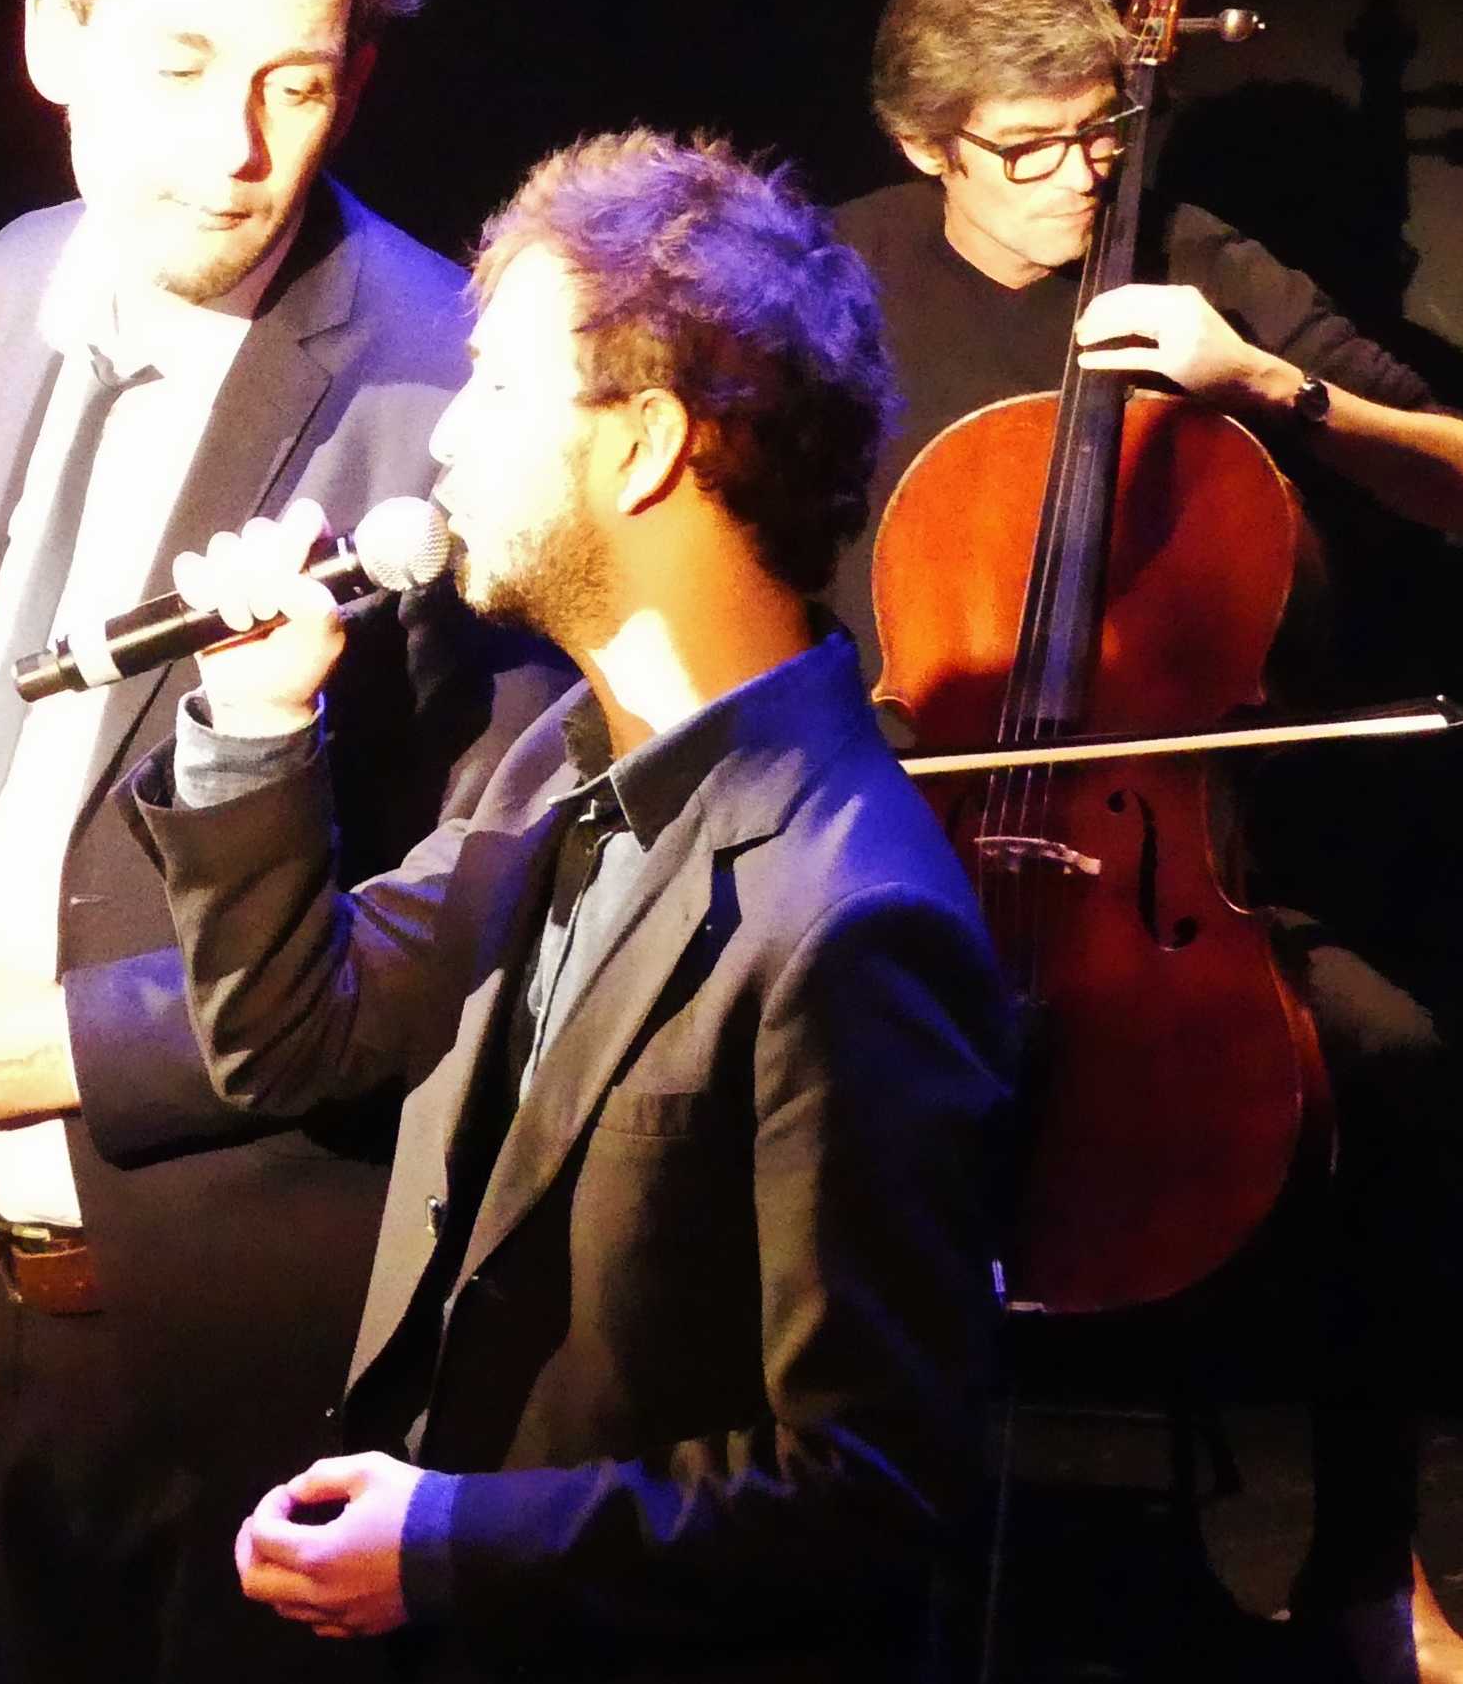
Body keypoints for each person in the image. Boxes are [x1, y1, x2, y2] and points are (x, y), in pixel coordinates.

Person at [0, 0, 551, 1682]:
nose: (236, 151)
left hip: (263, 1325)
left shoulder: (458, 381)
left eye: (295, 82)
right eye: (177, 66)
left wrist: (45, 1051)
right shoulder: (12, 276)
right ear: (53, 40)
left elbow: (479, 922)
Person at [133, 131, 1013, 1681]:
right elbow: (285, 1035)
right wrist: (260, 722)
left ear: (644, 443)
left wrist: (451, 1541)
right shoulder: (557, 755)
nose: (446, 433)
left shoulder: (850, 918)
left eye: (496, 384)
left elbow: (872, 1484)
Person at [832, 0, 1463, 1684]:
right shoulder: (829, 276)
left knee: (1390, 1064)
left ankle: (1369, 1570)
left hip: (1157, 874)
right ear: (924, 141)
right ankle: (779, 1534)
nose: (1081, 176)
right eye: (1027, 148)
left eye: (1100, 131)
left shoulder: (1196, 266)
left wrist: (1264, 384)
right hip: (887, 843)